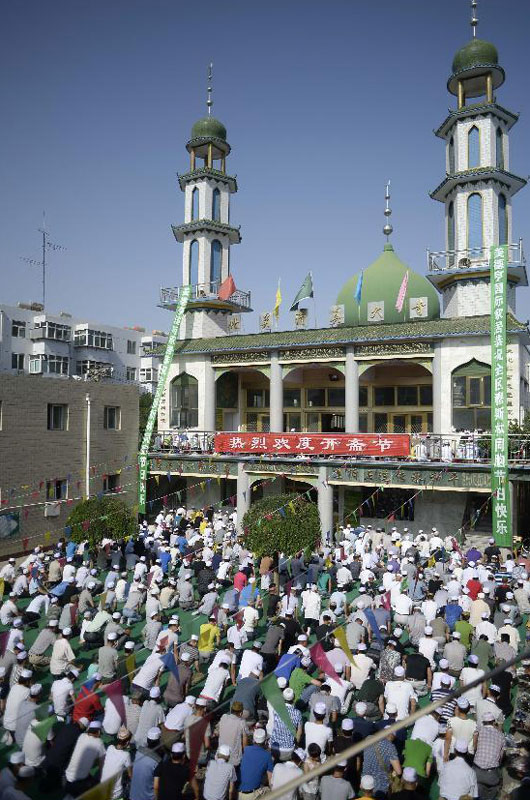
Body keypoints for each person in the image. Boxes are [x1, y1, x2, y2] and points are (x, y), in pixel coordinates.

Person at [64, 720, 106, 796]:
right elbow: (102, 766)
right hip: (79, 783)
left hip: (67, 778)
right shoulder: (99, 742)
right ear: (99, 732)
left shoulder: (81, 736)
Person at [130, 727, 163, 800]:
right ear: (159, 741)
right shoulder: (158, 761)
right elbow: (156, 786)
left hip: (133, 795)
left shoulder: (138, 751)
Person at [238, 728, 274, 795]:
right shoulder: (267, 755)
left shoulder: (246, 750)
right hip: (252, 794)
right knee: (269, 790)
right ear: (265, 741)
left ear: (254, 740)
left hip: (239, 793)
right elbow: (270, 780)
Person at [101, 726, 133, 800]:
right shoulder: (126, 755)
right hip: (115, 794)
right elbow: (130, 775)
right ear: (127, 742)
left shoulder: (110, 747)